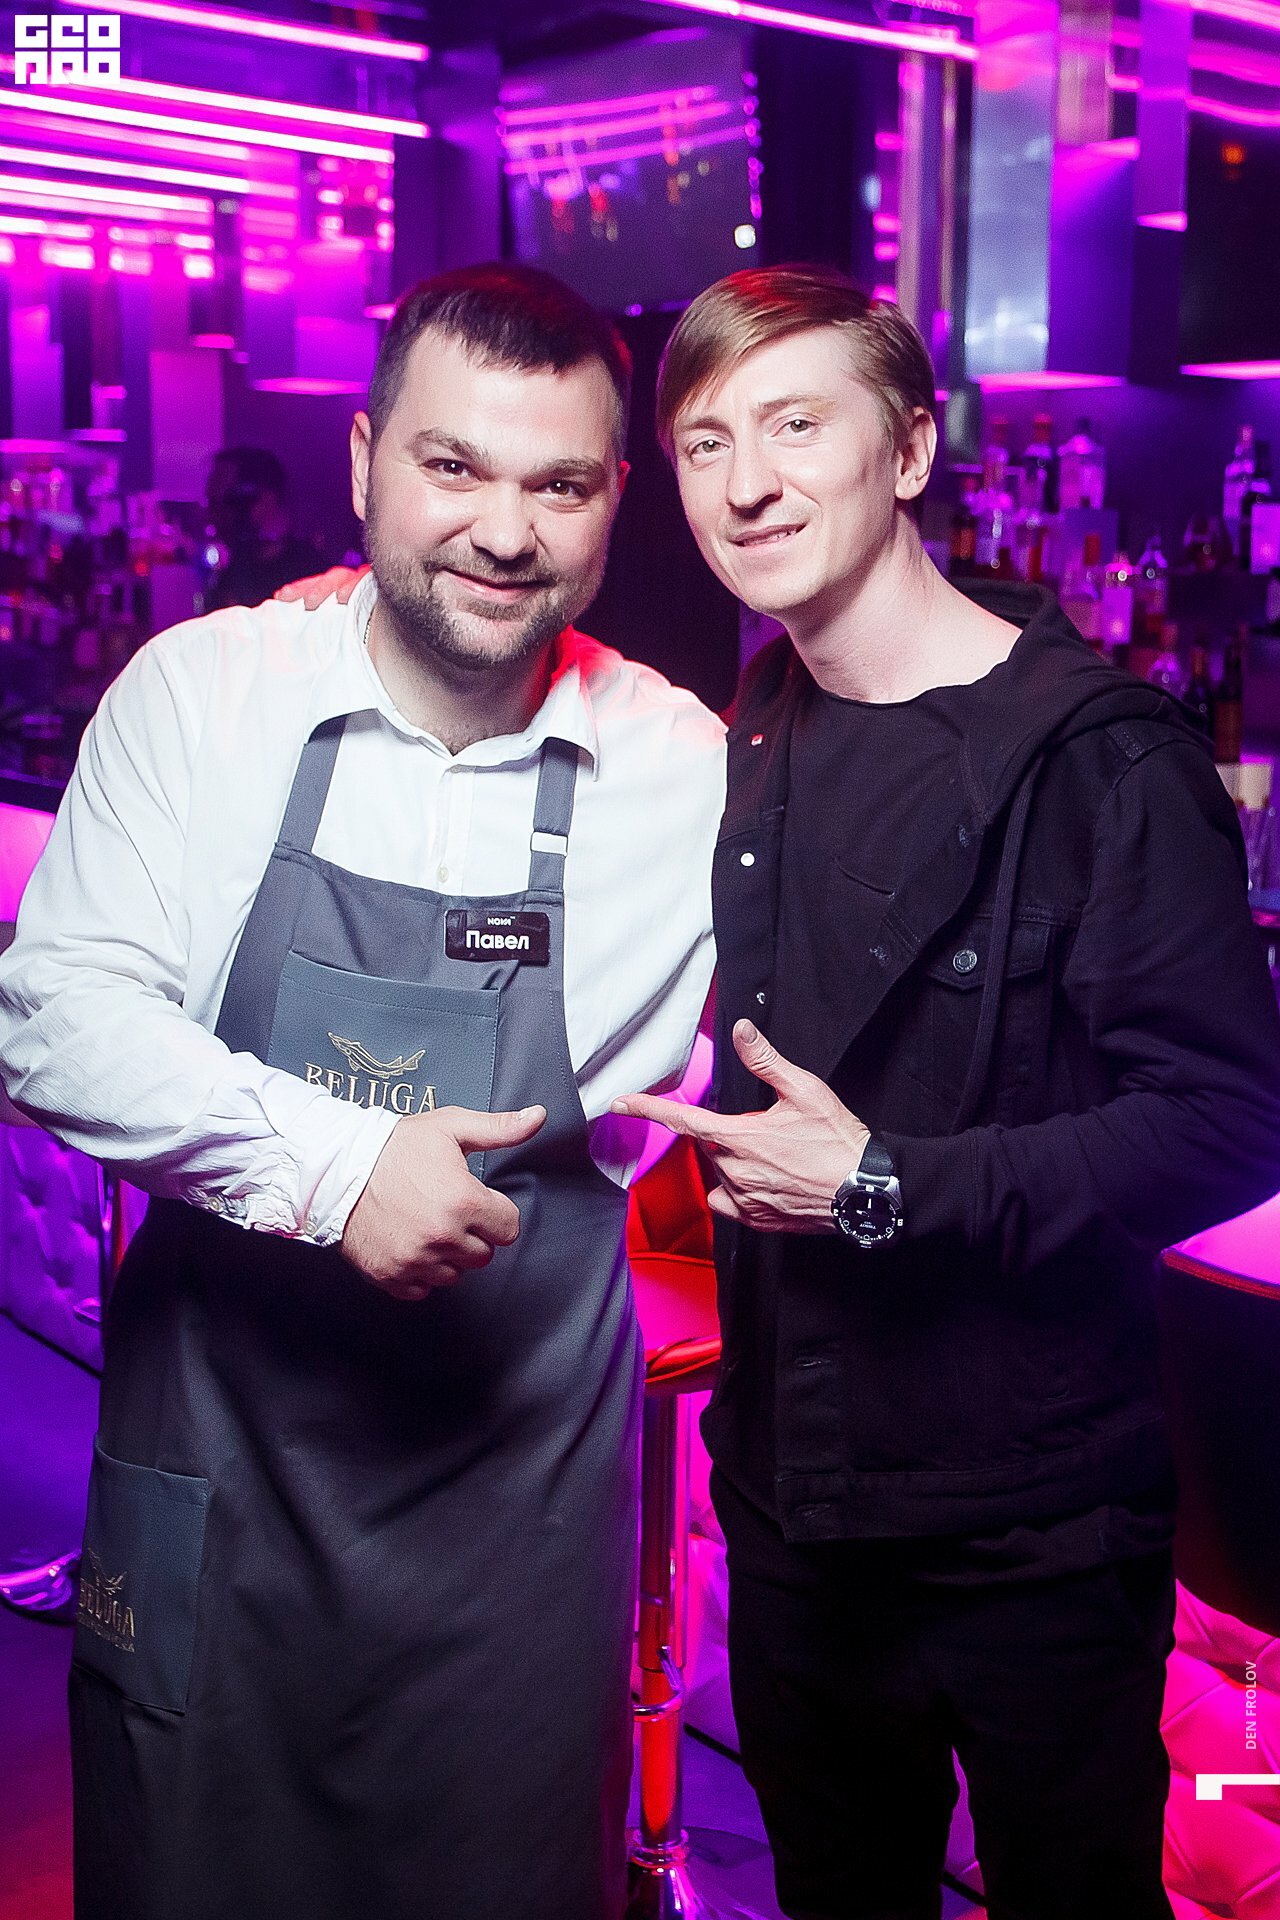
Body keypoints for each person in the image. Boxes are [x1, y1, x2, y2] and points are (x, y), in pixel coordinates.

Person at [0, 263, 725, 1920]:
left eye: (559, 485)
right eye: (452, 465)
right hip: (219, 1494)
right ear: (363, 459)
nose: (503, 531)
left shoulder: (683, 774)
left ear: (617, 499)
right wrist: (340, 1171)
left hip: (516, 1537)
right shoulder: (208, 697)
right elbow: (51, 1019)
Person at [613, 265, 1280, 1920]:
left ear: (909, 449)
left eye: (795, 425)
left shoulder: (1106, 761)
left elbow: (1229, 1123)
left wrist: (886, 1185)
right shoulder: (753, 723)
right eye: (704, 444)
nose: (746, 483)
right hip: (788, 1506)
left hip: (1032, 1534)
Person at [202, 444, 328, 611]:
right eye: (210, 502)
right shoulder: (231, 569)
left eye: (225, 501)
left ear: (266, 499)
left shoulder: (310, 572)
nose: (211, 515)